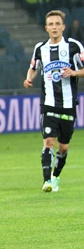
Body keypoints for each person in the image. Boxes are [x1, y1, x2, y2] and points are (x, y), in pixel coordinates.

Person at [24, 10, 84, 192]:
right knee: (48, 141)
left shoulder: (74, 47)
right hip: (48, 103)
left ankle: (56, 176)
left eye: (57, 24)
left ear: (63, 27)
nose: (54, 27)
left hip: (68, 104)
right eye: (51, 24)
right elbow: (33, 67)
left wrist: (74, 72)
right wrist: (29, 78)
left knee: (63, 147)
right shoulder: (40, 48)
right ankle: (46, 181)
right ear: (46, 28)